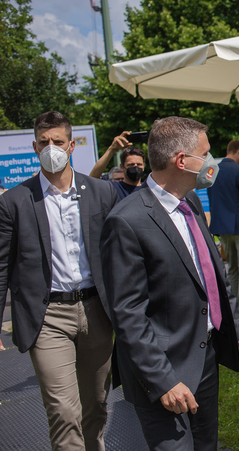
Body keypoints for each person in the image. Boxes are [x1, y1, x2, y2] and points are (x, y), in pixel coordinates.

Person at [100, 116, 239, 451]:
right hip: (161, 371)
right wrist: (162, 381)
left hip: (203, 357)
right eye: (206, 153)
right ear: (182, 161)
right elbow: (128, 315)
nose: (212, 162)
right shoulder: (126, 221)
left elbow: (213, 275)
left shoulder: (192, 203)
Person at [0, 111, 119, 450]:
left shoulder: (101, 193)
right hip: (47, 317)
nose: (50, 148)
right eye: (43, 142)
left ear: (72, 145)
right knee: (63, 412)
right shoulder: (14, 202)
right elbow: (1, 266)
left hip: (96, 310)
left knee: (95, 405)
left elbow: (119, 256)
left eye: (58, 142)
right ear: (34, 146)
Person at [207, 140, 239, 323]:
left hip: (222, 227)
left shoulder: (213, 171)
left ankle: (232, 309)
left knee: (232, 269)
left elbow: (211, 198)